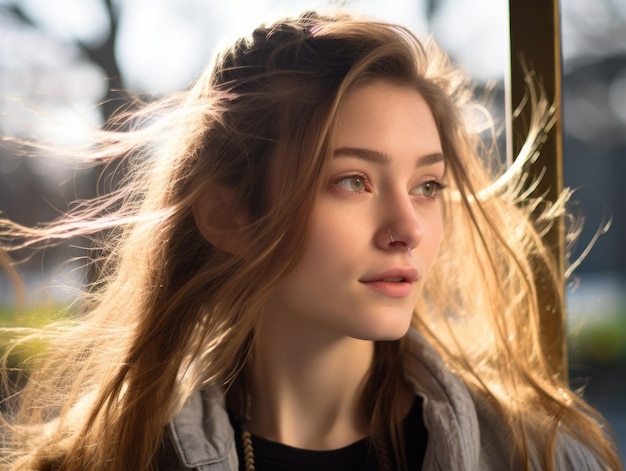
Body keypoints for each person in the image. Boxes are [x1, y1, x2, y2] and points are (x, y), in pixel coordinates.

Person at [0, 9, 622, 471]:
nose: (407, 228)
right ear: (227, 216)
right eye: (353, 180)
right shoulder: (98, 460)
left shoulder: (541, 456)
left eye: (428, 185)